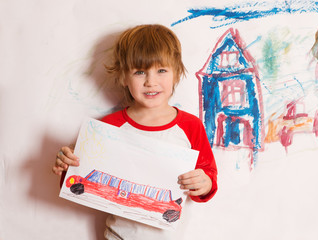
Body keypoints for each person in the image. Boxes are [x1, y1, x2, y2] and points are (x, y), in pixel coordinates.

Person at [52, 24, 217, 240]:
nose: (151, 81)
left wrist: (204, 183)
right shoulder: (107, 127)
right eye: (139, 72)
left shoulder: (190, 125)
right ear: (123, 77)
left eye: (161, 70)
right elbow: (78, 177)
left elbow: (209, 175)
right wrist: (66, 165)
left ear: (176, 73)